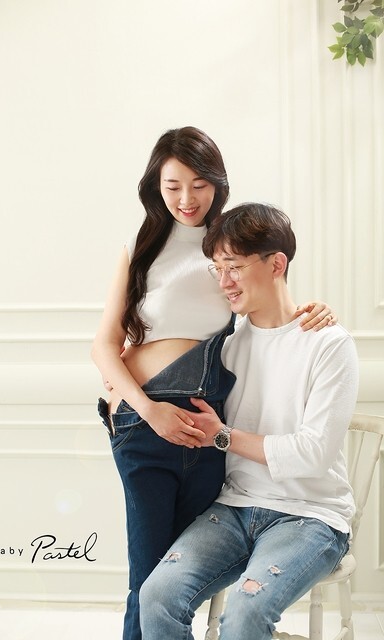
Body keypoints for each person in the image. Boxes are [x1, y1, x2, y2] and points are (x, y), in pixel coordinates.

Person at [91, 128, 336, 640]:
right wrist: (145, 408)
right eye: (173, 186)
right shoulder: (141, 248)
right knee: (147, 578)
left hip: (209, 429)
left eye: (199, 185)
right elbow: (104, 346)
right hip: (145, 423)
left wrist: (316, 307)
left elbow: (268, 291)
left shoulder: (228, 243)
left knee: (177, 582)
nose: (186, 198)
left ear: (218, 184)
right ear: (155, 187)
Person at [139, 202, 358, 640]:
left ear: (277, 264)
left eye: (234, 267)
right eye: (217, 269)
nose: (224, 282)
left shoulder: (328, 344)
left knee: (245, 612)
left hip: (311, 515)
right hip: (235, 508)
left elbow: (313, 455)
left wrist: (222, 437)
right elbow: (141, 349)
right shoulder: (223, 346)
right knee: (157, 595)